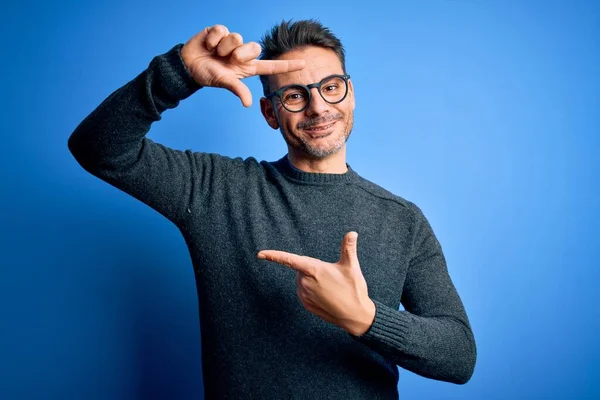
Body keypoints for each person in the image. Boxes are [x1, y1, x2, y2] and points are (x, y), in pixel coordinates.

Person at [68, 19, 476, 399]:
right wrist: (177, 73)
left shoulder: (402, 220)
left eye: (331, 87)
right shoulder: (215, 189)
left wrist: (364, 317)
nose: (318, 108)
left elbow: (459, 357)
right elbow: (98, 148)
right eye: (295, 96)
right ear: (270, 113)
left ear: (351, 94)